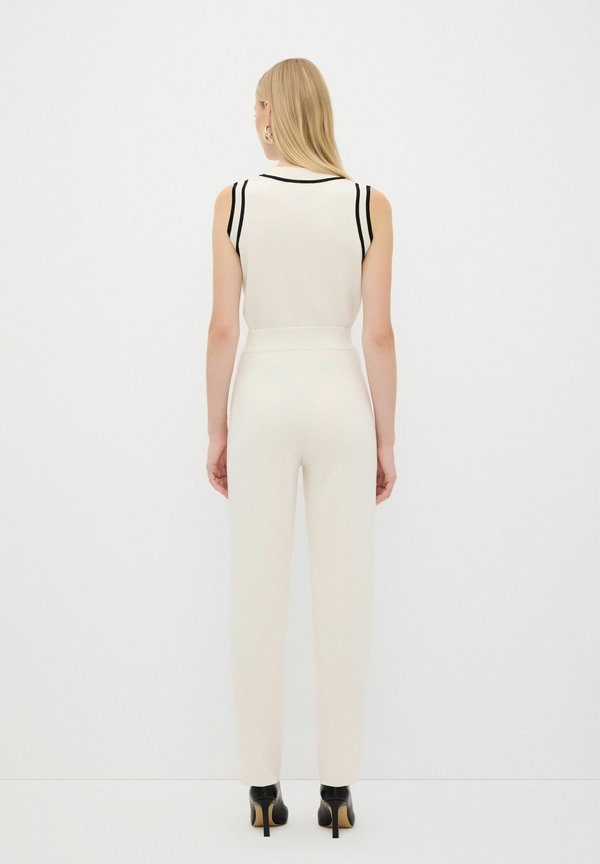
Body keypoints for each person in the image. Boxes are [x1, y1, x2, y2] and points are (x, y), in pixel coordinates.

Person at [206, 57, 396, 838]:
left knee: (258, 591)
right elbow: (378, 335)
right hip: (339, 392)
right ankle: (338, 792)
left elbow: (224, 327)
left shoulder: (235, 202)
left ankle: (262, 792)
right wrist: (386, 437)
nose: (255, 119)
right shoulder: (368, 205)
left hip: (262, 391)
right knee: (343, 593)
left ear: (272, 114)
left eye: (258, 106)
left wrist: (216, 428)